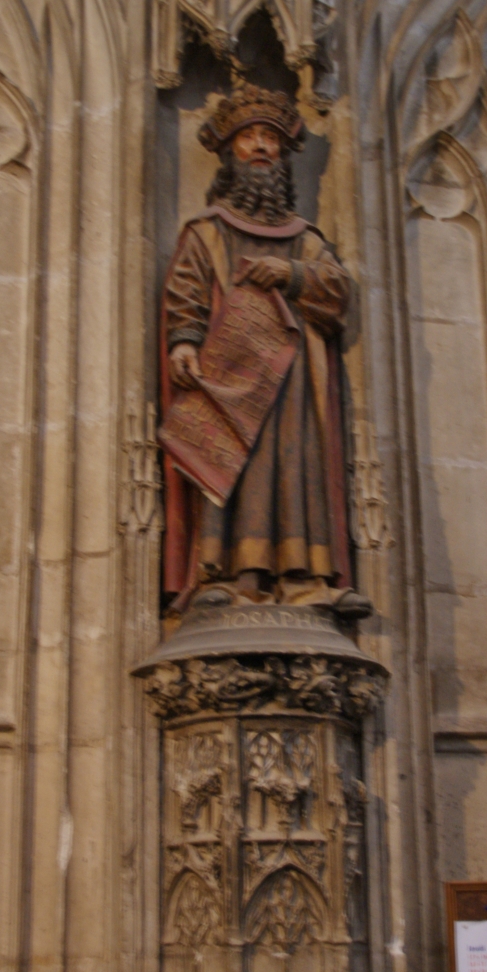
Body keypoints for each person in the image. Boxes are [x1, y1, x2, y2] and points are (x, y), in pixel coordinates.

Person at [160, 83, 371, 618]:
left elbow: (337, 289)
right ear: (230, 151)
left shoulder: (305, 238)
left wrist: (293, 274)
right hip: (228, 375)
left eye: (270, 139)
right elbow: (185, 289)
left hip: (296, 383)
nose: (260, 146)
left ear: (282, 153)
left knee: (297, 470)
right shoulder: (206, 232)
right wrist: (183, 342)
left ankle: (304, 581)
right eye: (249, 137)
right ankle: (230, 577)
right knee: (238, 464)